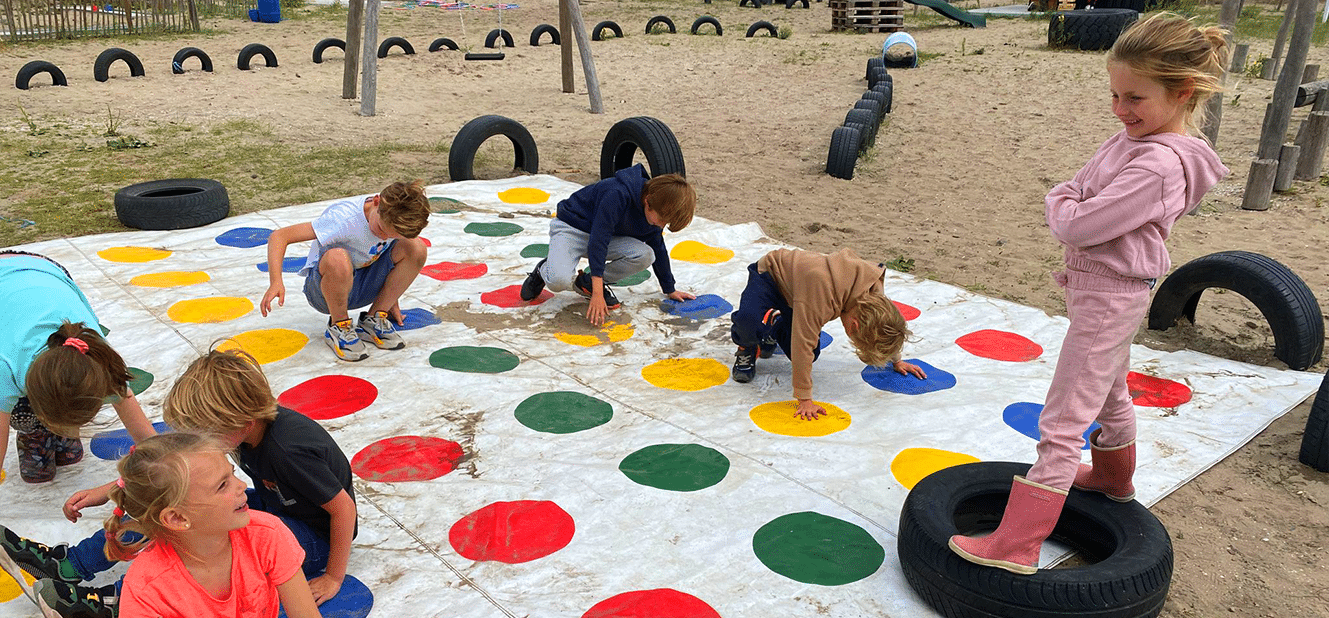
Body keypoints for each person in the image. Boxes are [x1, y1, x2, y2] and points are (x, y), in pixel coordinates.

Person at [949, 13, 1229, 575]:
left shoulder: (1158, 164)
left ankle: (1019, 542)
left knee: (1064, 412)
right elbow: (1075, 191)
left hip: (1112, 294)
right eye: (1115, 94)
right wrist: (1070, 204)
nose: (1121, 109)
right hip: (1094, 287)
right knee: (1104, 389)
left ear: (1183, 92)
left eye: (1135, 97)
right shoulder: (1131, 139)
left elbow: (1076, 220)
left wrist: (1068, 208)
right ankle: (1111, 476)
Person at [31, 432, 322, 618]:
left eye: (232, 474)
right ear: (177, 518)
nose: (242, 486)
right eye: (222, 485)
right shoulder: (146, 591)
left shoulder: (267, 536)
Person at [162, 348, 357, 605]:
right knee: (188, 506)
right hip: (277, 506)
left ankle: (169, 594)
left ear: (243, 422)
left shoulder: (287, 452)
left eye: (204, 434)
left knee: (233, 553)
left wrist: (333, 577)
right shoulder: (243, 433)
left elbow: (344, 509)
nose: (199, 442)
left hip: (319, 535)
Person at [0, 251, 156, 485]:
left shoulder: (93, 350)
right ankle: (35, 433)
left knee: (65, 437)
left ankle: (54, 431)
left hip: (47, 271)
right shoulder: (6, 365)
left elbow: (144, 433)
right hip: (7, 281)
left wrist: (164, 461)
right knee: (20, 413)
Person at [729, 248, 925, 420]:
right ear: (854, 325)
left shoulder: (872, 291)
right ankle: (747, 346)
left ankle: (774, 324)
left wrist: (896, 360)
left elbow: (888, 325)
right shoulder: (823, 296)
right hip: (771, 276)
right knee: (750, 321)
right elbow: (802, 343)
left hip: (798, 294)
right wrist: (804, 399)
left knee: (811, 355)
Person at [261, 181, 430, 362]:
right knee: (337, 257)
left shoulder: (389, 221)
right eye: (381, 230)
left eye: (392, 236)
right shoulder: (343, 218)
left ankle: (374, 318)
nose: (383, 237)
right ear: (376, 202)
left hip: (362, 283)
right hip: (325, 292)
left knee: (416, 248)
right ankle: (339, 325)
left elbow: (383, 252)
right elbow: (279, 236)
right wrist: (276, 281)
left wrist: (390, 300)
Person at [519, 165, 697, 325]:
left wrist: (669, 288)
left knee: (647, 254)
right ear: (647, 201)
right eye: (662, 220)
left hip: (607, 236)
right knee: (558, 281)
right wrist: (597, 294)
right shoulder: (617, 194)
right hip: (572, 228)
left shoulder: (654, 212)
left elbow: (658, 246)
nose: (661, 225)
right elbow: (598, 242)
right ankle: (543, 269)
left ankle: (587, 283)